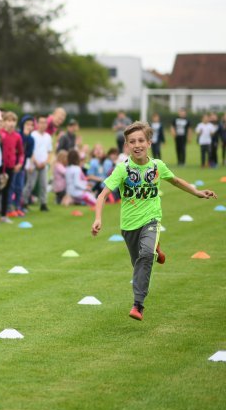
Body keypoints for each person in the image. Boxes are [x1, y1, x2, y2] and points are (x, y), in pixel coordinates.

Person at [92, 121, 217, 321]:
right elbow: (102, 195)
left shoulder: (157, 166)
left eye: (141, 140)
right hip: (129, 225)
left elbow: (175, 180)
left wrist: (198, 192)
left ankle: (138, 304)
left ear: (149, 142)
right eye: (132, 141)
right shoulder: (122, 169)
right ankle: (155, 247)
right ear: (127, 145)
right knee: (138, 264)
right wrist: (98, 219)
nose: (137, 144)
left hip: (151, 218)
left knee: (146, 255)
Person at [0, 111, 24, 220]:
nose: (11, 123)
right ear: (3, 122)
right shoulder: (0, 134)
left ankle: (4, 214)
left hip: (11, 167)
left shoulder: (17, 136)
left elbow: (21, 152)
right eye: (8, 120)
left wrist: (19, 163)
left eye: (13, 121)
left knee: (7, 190)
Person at [28, 115, 52, 211]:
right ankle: (24, 201)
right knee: (31, 184)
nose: (43, 125)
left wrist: (46, 162)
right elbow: (31, 150)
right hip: (34, 163)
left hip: (43, 164)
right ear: (37, 124)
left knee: (43, 184)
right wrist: (35, 161)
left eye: (45, 123)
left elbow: (49, 151)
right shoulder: (33, 135)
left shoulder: (48, 137)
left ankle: (43, 203)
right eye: (41, 122)